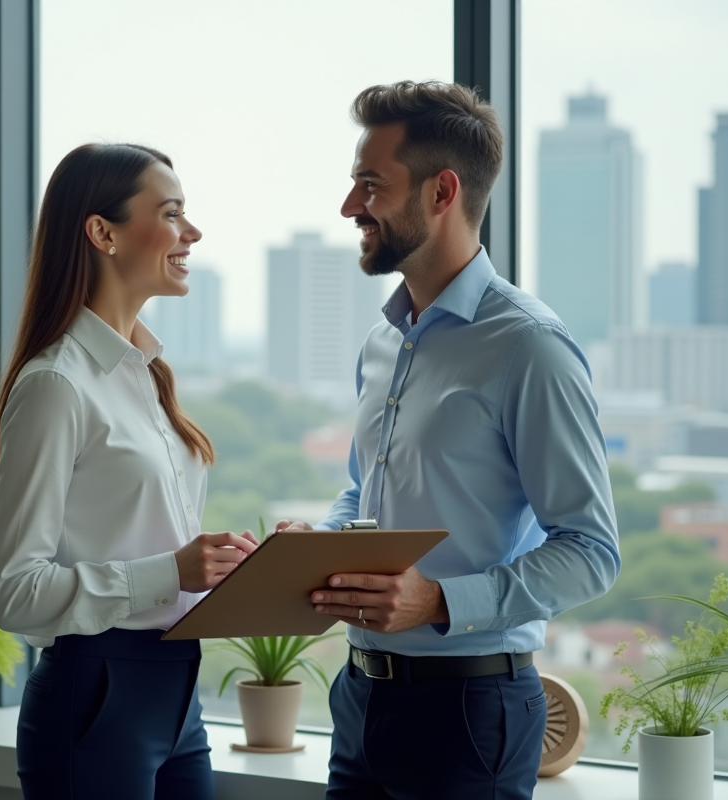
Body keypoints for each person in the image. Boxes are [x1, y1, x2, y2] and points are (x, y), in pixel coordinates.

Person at [276, 81, 621, 800]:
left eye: (370, 185)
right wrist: (324, 543)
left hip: (469, 713)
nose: (349, 208)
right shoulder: (382, 340)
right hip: (360, 697)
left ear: (442, 192)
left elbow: (592, 552)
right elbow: (361, 489)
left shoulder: (530, 348)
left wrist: (439, 601)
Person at [0, 143, 258, 800]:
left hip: (176, 692)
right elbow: (15, 595)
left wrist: (226, 568)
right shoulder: (55, 385)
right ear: (103, 232)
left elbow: (147, 538)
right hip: (95, 693)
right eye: (171, 214)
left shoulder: (149, 374)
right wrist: (172, 571)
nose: (191, 233)